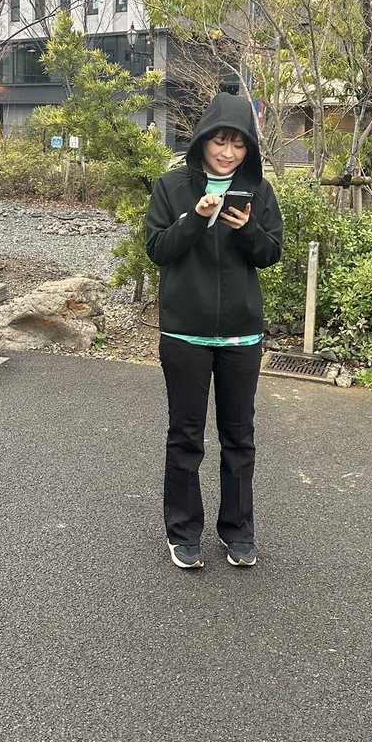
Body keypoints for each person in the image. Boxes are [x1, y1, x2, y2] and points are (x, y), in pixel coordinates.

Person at [145, 93, 283, 570]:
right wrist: (197, 218)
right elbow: (159, 249)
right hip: (185, 333)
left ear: (250, 150)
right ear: (203, 139)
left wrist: (245, 229)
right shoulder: (172, 187)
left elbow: (269, 254)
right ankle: (182, 532)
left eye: (239, 145)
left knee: (239, 436)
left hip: (241, 337)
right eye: (220, 142)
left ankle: (238, 531)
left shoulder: (259, 192)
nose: (227, 153)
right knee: (185, 435)